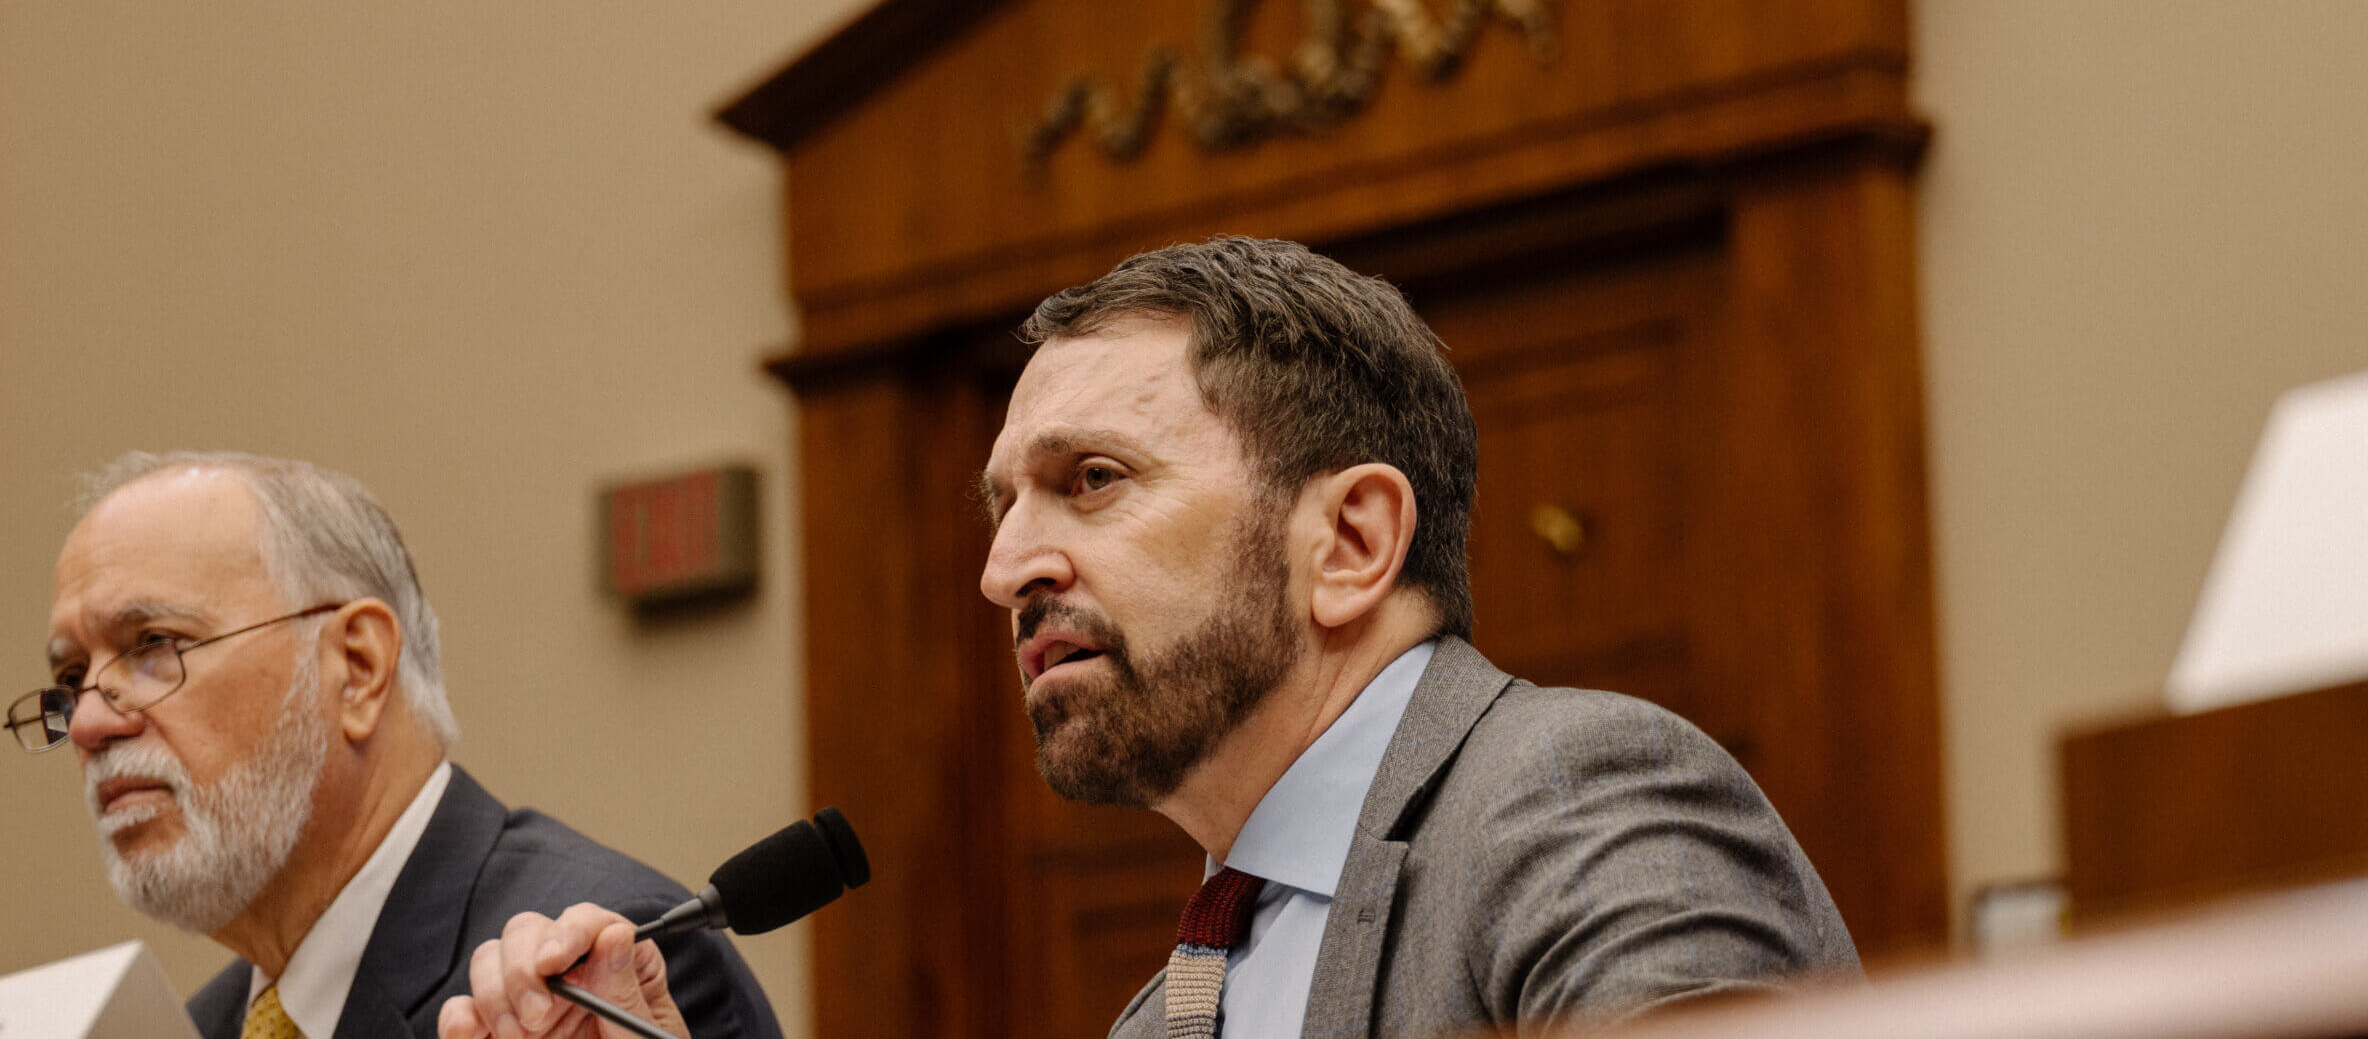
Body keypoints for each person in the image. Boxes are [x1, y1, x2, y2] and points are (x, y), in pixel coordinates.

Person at [440, 237, 1858, 1039]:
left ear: (1352, 540)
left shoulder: (1573, 794)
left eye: (1092, 481)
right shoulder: (1167, 1007)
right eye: (1000, 508)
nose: (1006, 567)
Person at [10, 452, 779, 1039]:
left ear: (358, 668)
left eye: (153, 644)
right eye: (73, 676)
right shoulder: (204, 1026)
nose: (87, 723)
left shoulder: (590, 968)